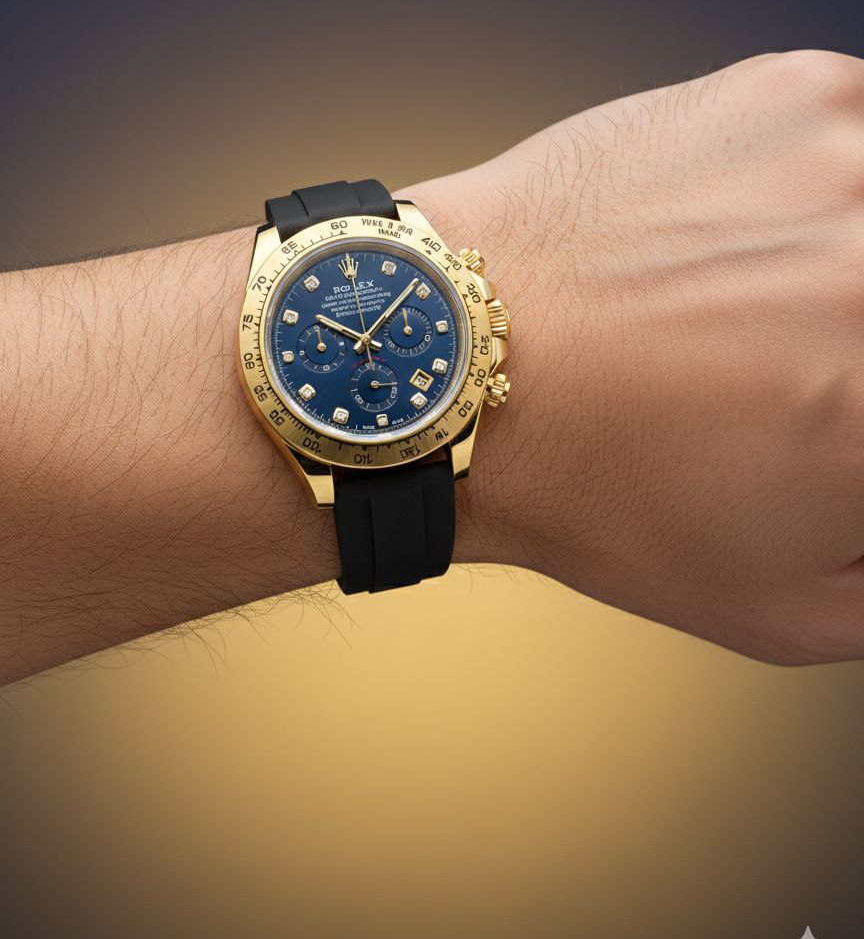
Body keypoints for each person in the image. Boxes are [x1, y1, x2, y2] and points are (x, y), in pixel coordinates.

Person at [2, 49, 863, 684]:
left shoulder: (435, 319)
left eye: (385, 330)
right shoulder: (325, 322)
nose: (366, 345)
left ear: (481, 327)